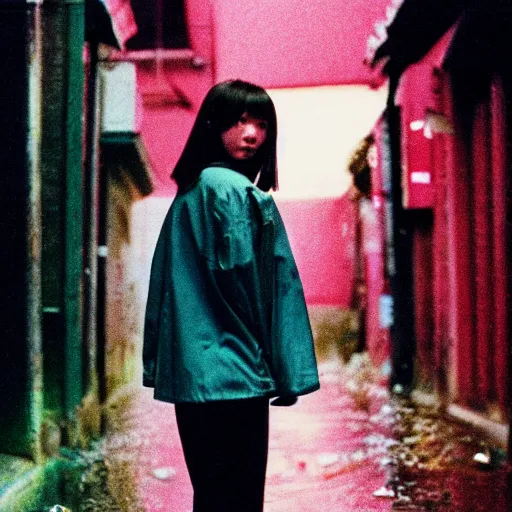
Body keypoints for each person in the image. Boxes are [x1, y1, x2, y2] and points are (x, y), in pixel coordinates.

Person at [142, 79, 320, 512]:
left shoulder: (189, 194)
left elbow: (163, 292)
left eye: (261, 123)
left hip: (193, 376)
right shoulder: (236, 193)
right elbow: (263, 289)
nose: (253, 134)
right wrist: (285, 369)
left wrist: (159, 363)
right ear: (213, 123)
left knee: (212, 495)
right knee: (239, 499)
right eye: (240, 121)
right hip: (237, 375)